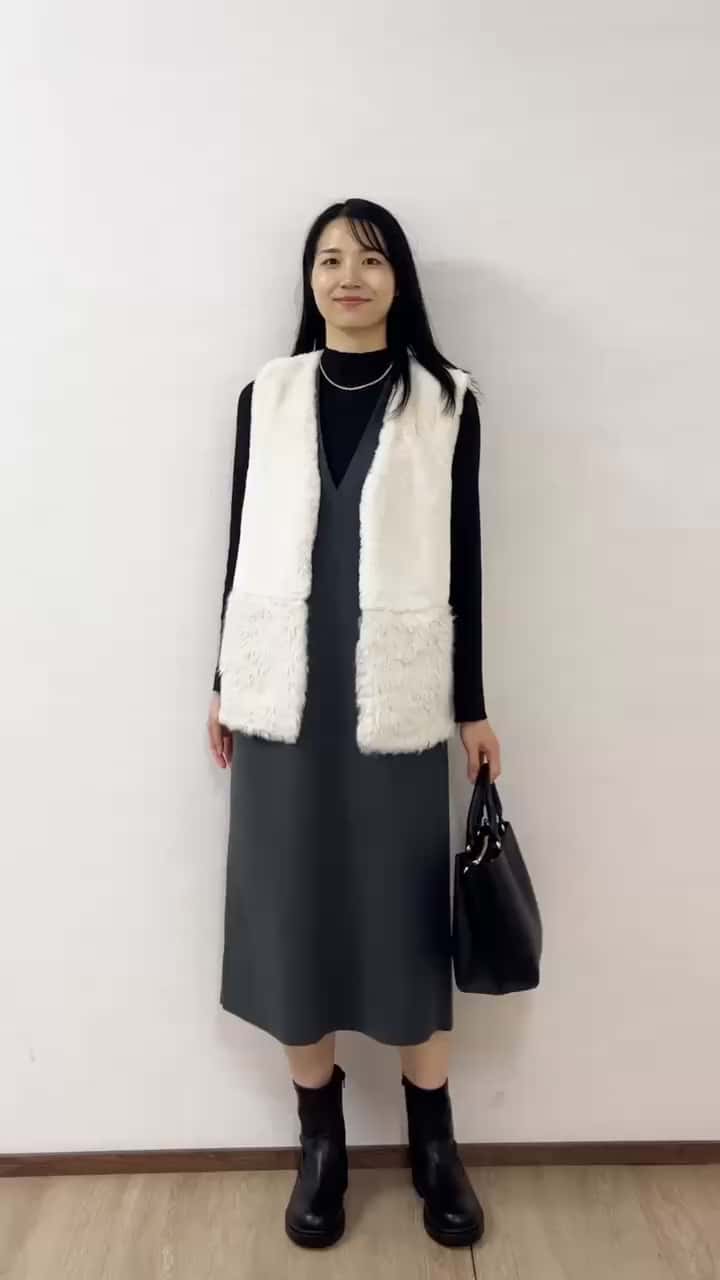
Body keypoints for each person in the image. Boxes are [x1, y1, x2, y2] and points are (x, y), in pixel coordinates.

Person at [206, 197, 501, 1250]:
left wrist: (471, 704)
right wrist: (224, 676)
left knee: (405, 911)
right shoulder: (268, 395)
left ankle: (434, 1142)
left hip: (397, 697)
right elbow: (241, 542)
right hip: (283, 695)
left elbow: (466, 559)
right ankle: (320, 1144)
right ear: (310, 279)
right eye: (330, 259)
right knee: (291, 904)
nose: (348, 277)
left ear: (397, 280)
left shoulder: (446, 400)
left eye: (370, 260)